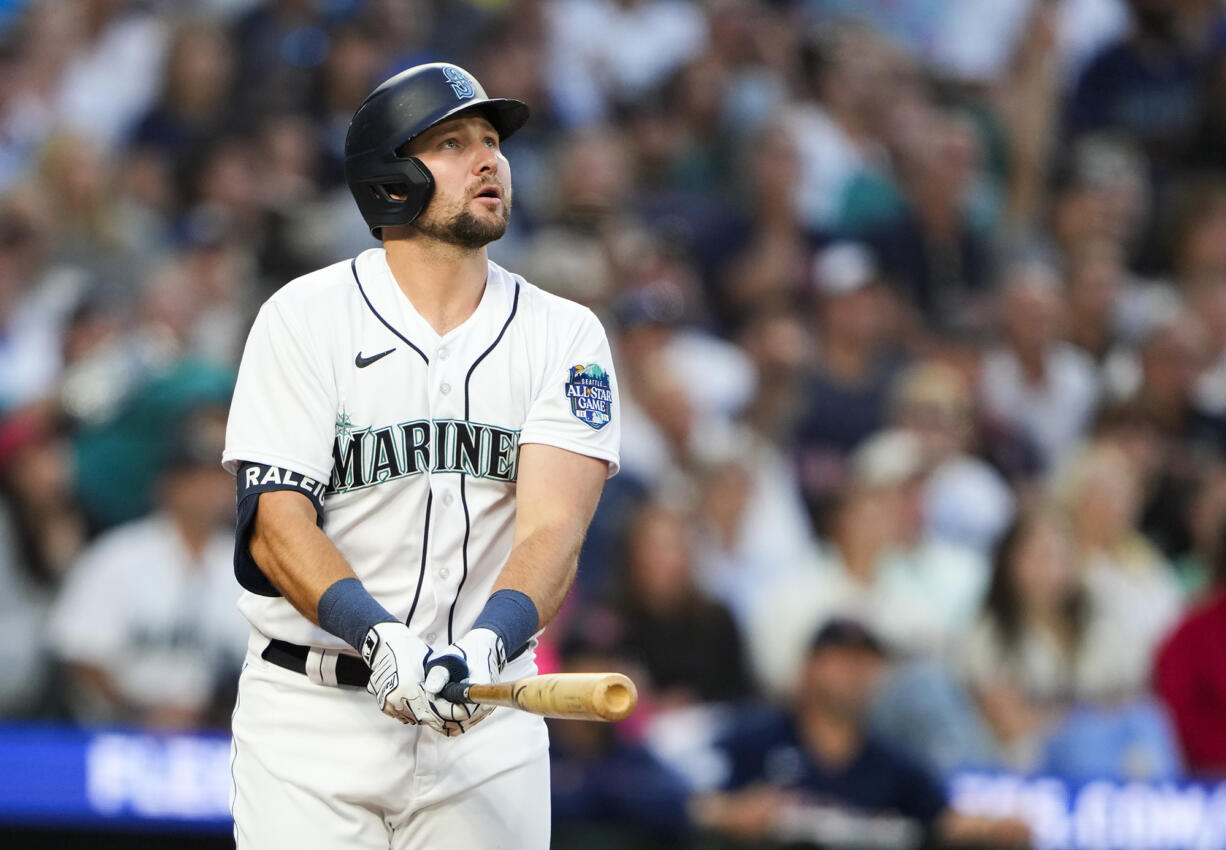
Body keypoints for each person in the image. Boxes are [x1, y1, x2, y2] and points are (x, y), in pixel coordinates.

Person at [222, 63, 620, 849]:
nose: (488, 160)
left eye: (491, 141)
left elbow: (554, 531)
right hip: (313, 715)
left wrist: (485, 642)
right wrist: (380, 637)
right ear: (389, 178)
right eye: (452, 141)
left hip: (487, 714)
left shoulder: (565, 336)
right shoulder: (303, 317)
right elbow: (276, 525)